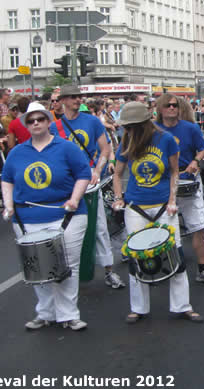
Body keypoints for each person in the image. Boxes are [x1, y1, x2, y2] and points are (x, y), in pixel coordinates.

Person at [1, 102, 92, 331]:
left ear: (48, 122)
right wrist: (9, 206)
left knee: (68, 265)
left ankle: (69, 314)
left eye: (40, 119)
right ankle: (45, 312)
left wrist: (74, 198)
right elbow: (7, 179)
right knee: (37, 266)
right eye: (31, 121)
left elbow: (83, 174)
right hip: (27, 218)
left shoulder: (67, 147)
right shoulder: (17, 152)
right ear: (26, 125)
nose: (35, 124)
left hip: (66, 216)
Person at [112, 102, 203, 323]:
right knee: (137, 257)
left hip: (163, 205)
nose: (129, 130)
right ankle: (139, 307)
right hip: (136, 207)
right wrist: (118, 198)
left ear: (144, 123)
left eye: (133, 126)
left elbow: (174, 172)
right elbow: (117, 173)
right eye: (128, 127)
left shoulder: (166, 140)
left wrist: (173, 200)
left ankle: (182, 305)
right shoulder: (126, 140)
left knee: (175, 254)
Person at [50, 85, 125, 290]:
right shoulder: (54, 127)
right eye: (73, 97)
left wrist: (97, 170)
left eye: (79, 96)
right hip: (65, 187)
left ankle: (109, 271)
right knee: (63, 231)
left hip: (91, 184)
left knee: (99, 228)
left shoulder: (91, 121)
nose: (77, 100)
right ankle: (66, 273)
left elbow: (105, 148)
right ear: (63, 100)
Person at [155, 93, 204, 286]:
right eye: (167, 105)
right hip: (164, 182)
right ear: (160, 109)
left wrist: (196, 161)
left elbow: (203, 148)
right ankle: (166, 267)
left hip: (188, 179)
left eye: (175, 105)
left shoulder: (190, 128)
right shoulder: (153, 130)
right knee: (163, 227)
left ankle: (202, 269)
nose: (172, 108)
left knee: (199, 227)